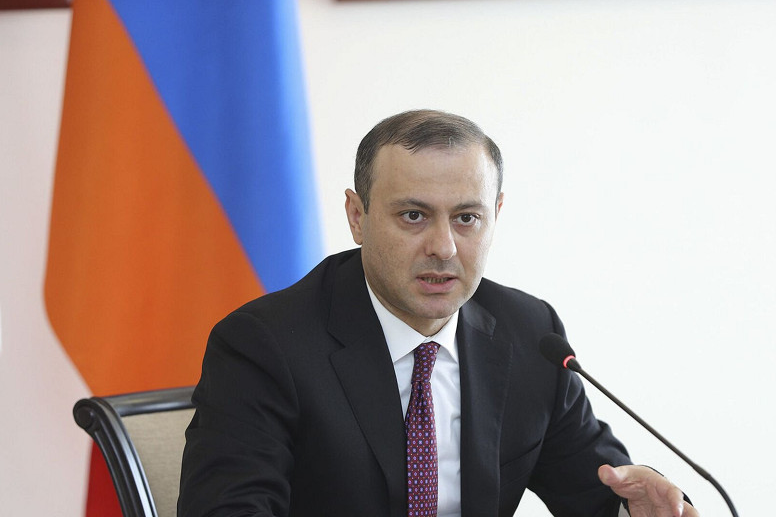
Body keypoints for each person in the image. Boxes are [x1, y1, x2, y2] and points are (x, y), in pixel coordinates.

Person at [178, 110, 698, 517]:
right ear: (357, 217)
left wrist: (637, 509)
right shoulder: (265, 345)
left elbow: (597, 490)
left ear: (495, 216)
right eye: (413, 215)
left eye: (467, 218)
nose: (444, 247)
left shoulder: (530, 334)